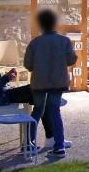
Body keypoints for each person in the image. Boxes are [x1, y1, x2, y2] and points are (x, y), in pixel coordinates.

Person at [24, 8, 76, 156]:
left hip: (39, 83)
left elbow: (28, 64)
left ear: (40, 24)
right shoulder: (64, 41)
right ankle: (59, 146)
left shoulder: (35, 43)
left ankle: (29, 143)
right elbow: (71, 59)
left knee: (37, 111)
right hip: (58, 82)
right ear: (55, 24)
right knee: (55, 112)